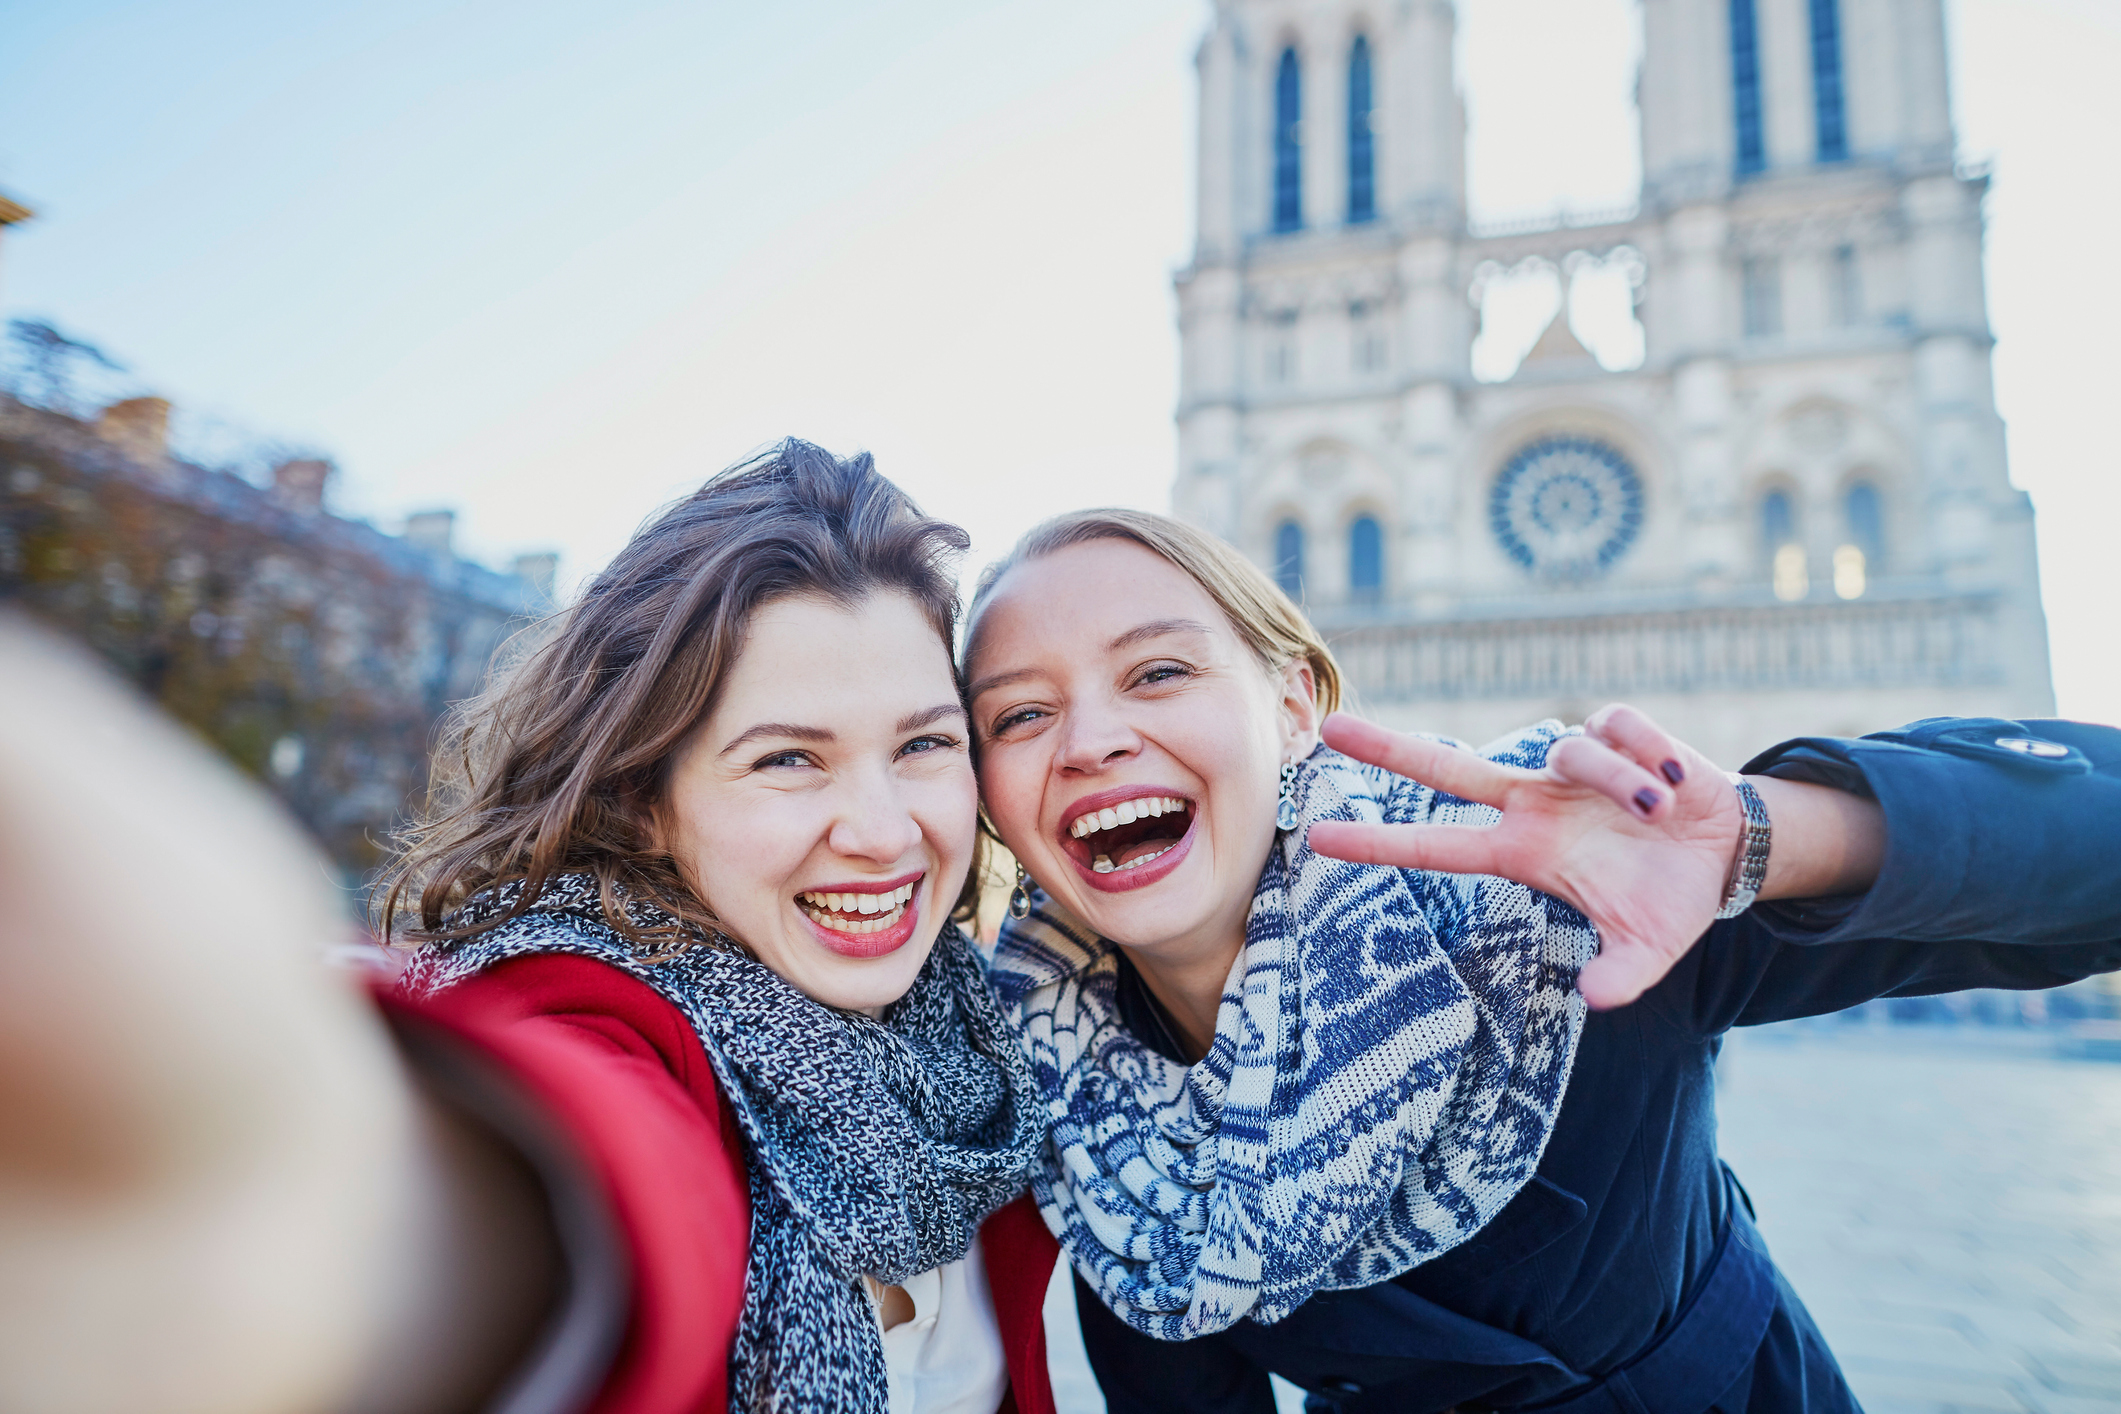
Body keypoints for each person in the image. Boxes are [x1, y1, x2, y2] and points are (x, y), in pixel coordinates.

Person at [961, 508, 2121, 1414]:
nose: (1093, 739)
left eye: (1158, 671)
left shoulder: (1532, 908)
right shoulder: (1072, 1121)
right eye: (1018, 717)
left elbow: (2095, 860)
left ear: (1295, 703)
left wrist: (1764, 838)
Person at [0, 441, 1063, 1414]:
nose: (883, 832)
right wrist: (340, 1219)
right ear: (647, 796)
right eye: (789, 758)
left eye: (923, 746)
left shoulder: (989, 1044)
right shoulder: (584, 998)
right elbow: (586, 1181)